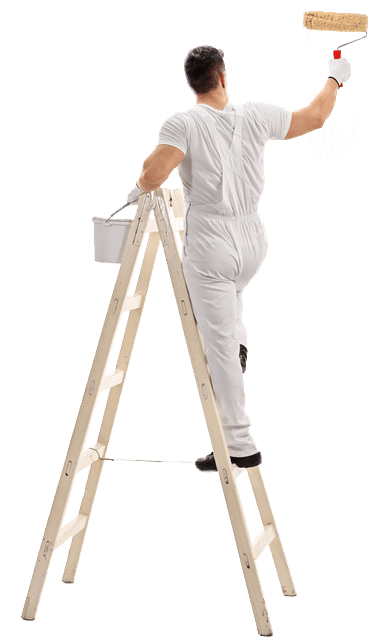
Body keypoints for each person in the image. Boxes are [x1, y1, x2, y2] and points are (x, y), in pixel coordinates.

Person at [128, 45, 351, 473]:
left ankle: (238, 442)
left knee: (217, 348)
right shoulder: (256, 115)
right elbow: (316, 117)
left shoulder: (183, 123)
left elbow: (155, 174)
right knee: (230, 317)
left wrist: (141, 180)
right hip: (252, 240)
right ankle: (239, 344)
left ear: (191, 83)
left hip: (211, 242)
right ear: (223, 76)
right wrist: (336, 76)